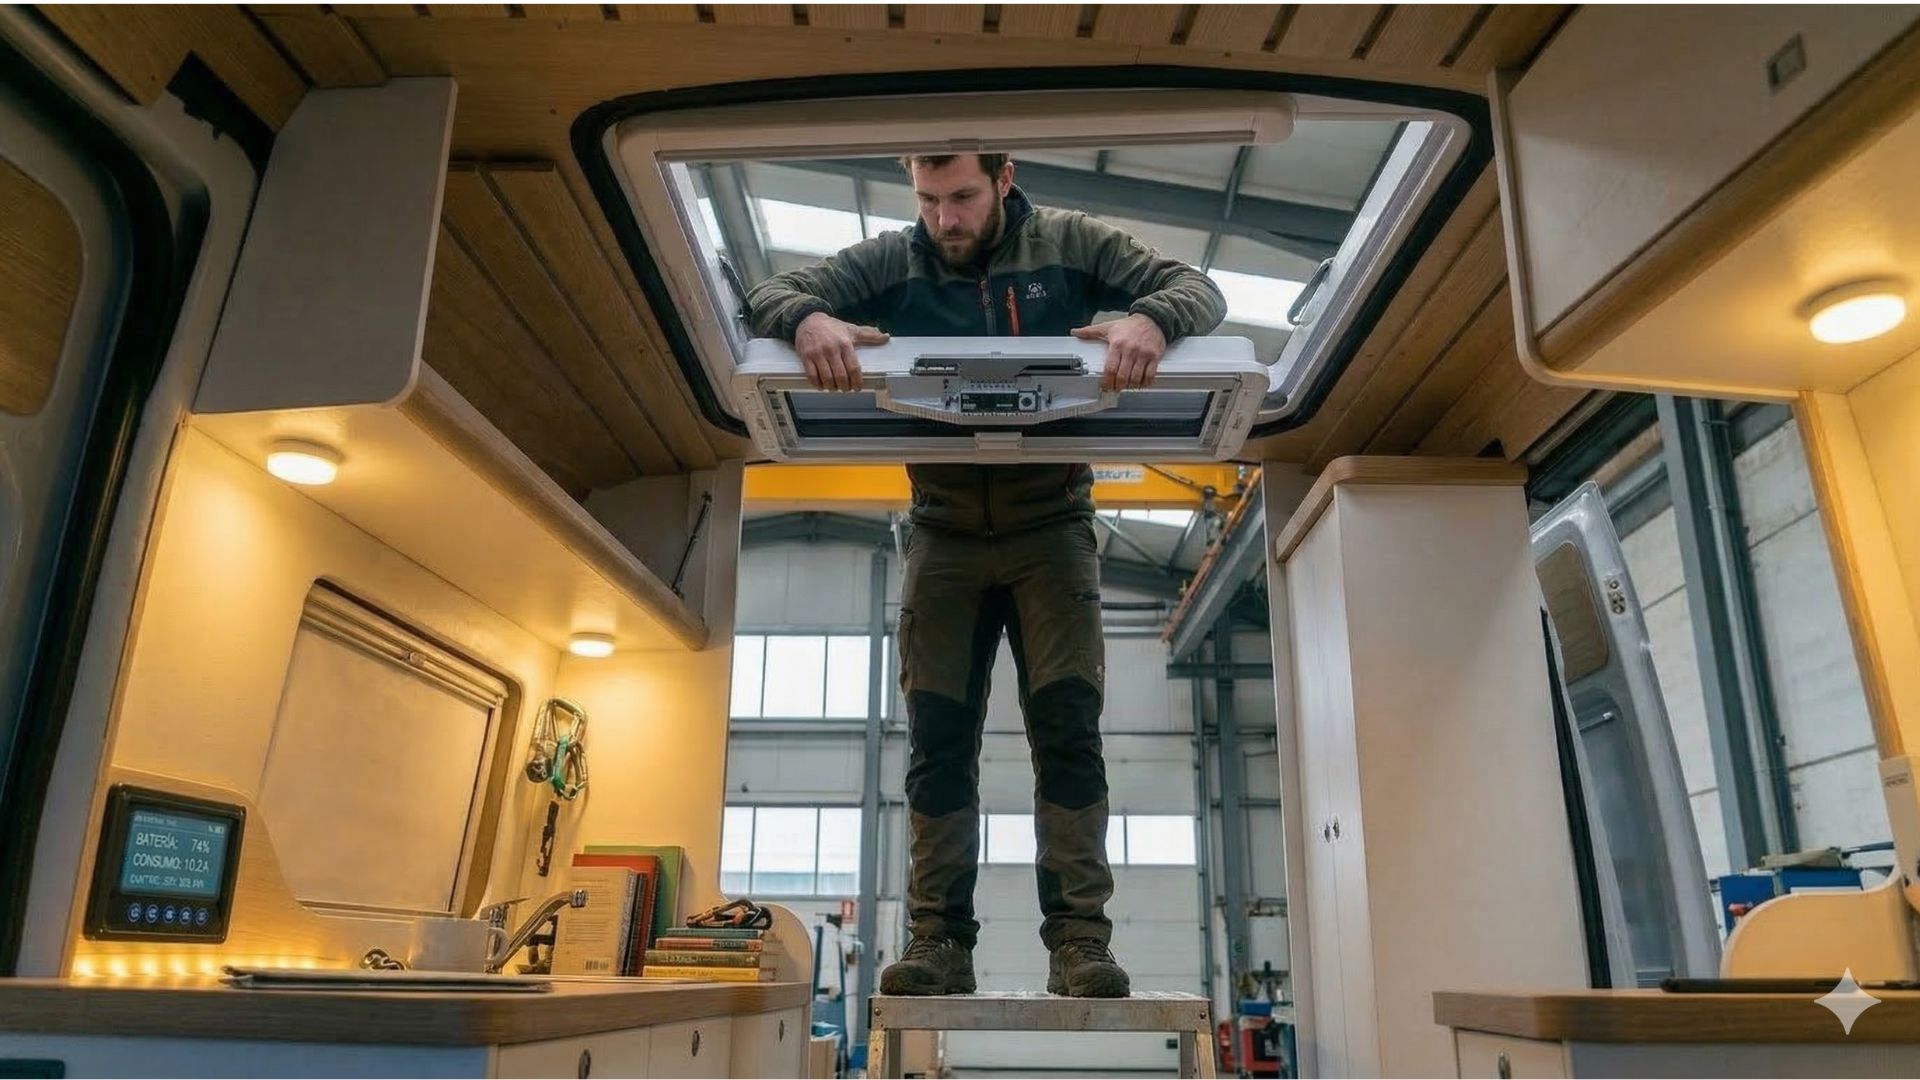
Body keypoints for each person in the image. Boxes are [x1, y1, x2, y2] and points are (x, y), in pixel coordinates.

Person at [747, 152, 1226, 998]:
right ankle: (938, 941)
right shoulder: (892, 258)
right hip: (943, 534)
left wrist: (1150, 320)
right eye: (928, 200)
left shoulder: (1070, 243)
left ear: (1004, 178)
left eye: (963, 197)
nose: (946, 221)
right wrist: (806, 321)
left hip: (1055, 528)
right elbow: (769, 293)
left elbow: (1196, 287)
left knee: (1069, 735)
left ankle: (1081, 942)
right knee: (937, 742)